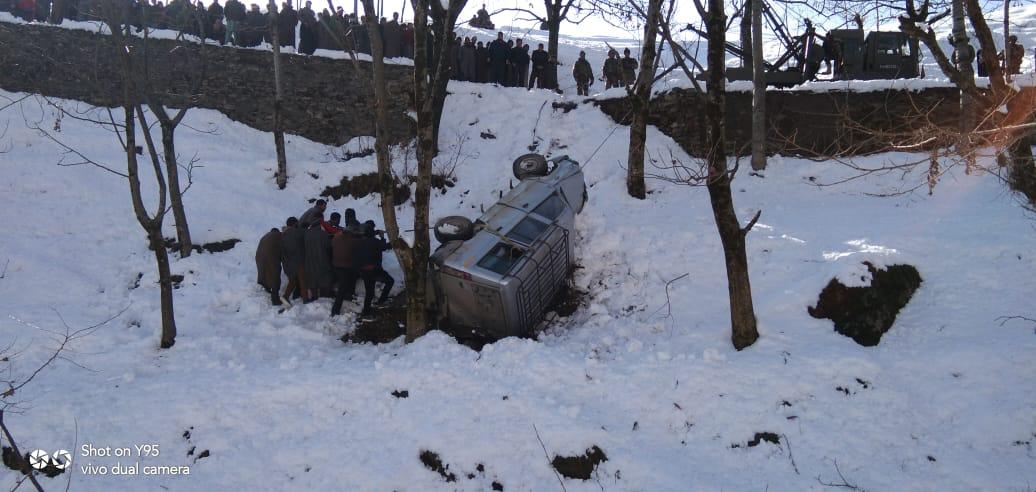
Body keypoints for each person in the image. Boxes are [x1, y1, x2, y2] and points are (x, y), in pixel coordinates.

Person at [356, 220, 394, 316]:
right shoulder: (375, 241)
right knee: (390, 281)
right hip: (374, 270)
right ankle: (381, 301)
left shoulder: (360, 241)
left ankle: (366, 313)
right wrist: (383, 238)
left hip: (363, 270)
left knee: (369, 293)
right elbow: (385, 247)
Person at [330, 226, 361, 316]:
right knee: (342, 289)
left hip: (335, 265)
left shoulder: (335, 239)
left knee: (346, 282)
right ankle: (335, 310)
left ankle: (348, 294)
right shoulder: (353, 241)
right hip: (345, 267)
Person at [304, 221, 334, 300]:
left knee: (312, 278)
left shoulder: (306, 234)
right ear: (319, 226)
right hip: (322, 258)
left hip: (309, 260)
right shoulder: (323, 234)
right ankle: (324, 295)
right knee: (324, 277)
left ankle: (314, 295)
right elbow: (328, 246)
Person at [281, 217, 307, 303]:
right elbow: (306, 234)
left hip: (287, 262)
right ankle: (305, 300)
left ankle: (285, 297)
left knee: (293, 281)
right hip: (298, 261)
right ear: (294, 224)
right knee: (303, 281)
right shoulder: (296, 232)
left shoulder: (283, 234)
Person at [255, 227, 283, 306]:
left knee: (264, 273)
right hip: (271, 257)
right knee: (275, 275)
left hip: (259, 257)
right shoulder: (279, 235)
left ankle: (267, 288)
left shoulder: (265, 236)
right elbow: (283, 249)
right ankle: (275, 299)